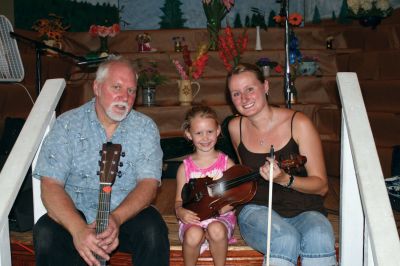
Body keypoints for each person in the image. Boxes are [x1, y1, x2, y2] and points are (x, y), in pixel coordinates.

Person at [33, 56, 169, 266]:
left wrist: (116, 218)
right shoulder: (68, 125)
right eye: (117, 87)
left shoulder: (145, 128)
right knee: (46, 232)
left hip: (123, 214)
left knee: (153, 229)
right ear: (97, 87)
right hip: (74, 215)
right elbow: (50, 185)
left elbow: (149, 184)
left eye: (131, 90)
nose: (124, 96)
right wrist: (78, 229)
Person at [226, 63, 336, 266]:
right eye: (236, 93)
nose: (244, 98)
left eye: (250, 89)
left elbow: (321, 186)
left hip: (304, 207)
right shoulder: (235, 127)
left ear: (265, 87)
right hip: (257, 208)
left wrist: (285, 179)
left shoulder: (299, 123)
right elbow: (246, 178)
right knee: (284, 238)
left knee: (320, 236)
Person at [174, 106, 236, 266]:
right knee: (193, 234)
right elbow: (178, 201)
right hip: (193, 218)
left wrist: (224, 208)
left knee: (216, 230)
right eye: (199, 133)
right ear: (189, 134)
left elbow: (235, 197)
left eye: (209, 131)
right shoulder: (184, 168)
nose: (205, 137)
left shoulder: (227, 163)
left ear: (217, 131)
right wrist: (180, 212)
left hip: (220, 217)